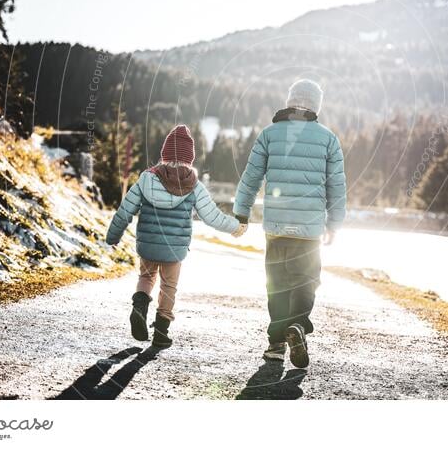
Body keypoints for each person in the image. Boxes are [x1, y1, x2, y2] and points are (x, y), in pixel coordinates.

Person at [233, 79, 346, 368]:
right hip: (309, 231)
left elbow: (251, 177)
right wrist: (335, 223)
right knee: (306, 282)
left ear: (289, 101)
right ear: (316, 106)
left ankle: (275, 343)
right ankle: (297, 326)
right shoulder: (328, 139)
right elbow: (337, 187)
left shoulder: (269, 134)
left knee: (277, 283)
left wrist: (242, 212)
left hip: (276, 229)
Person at [106, 125, 245, 349]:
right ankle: (161, 331)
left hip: (148, 245)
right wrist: (235, 227)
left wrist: (113, 235)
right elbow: (212, 216)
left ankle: (139, 307)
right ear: (190, 157)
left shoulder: (146, 179)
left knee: (146, 277)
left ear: (165, 154)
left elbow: (125, 209)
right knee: (169, 286)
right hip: (174, 249)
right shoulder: (194, 185)